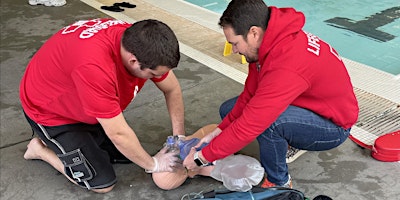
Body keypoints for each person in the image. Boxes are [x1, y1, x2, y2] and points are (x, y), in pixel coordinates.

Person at [183, 0, 359, 189]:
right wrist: (216, 134)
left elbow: (252, 123)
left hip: (333, 127)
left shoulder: (287, 64)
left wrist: (202, 158)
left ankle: (279, 182)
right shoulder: (266, 44)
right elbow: (250, 95)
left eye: (235, 43)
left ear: (253, 33)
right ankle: (288, 141)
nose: (234, 50)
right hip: (307, 104)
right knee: (229, 110)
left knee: (269, 124)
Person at [20, 18, 185, 193]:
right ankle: (39, 150)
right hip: (51, 112)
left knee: (127, 154)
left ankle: (89, 132)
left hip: (83, 100)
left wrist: (179, 137)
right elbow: (118, 134)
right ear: (133, 61)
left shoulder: (140, 41)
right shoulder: (95, 67)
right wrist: (153, 164)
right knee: (102, 183)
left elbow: (172, 89)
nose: (157, 77)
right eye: (152, 74)